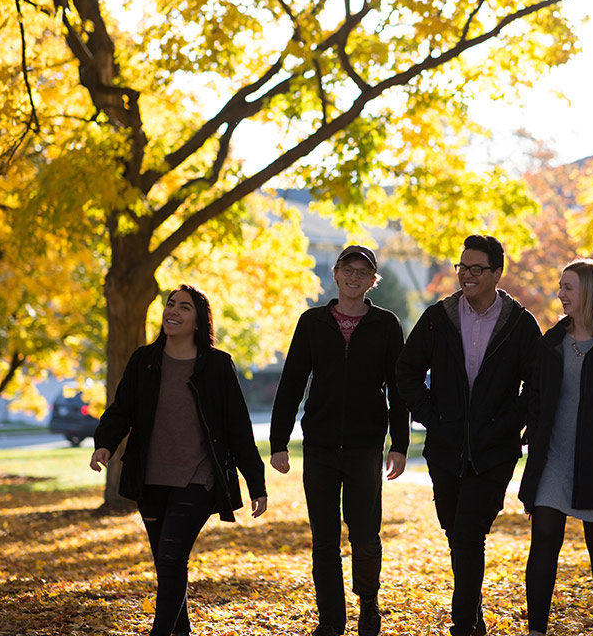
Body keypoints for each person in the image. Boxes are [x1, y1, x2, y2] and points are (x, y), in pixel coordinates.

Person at [90, 284, 268, 636]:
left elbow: (238, 429)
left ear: (199, 321)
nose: (173, 311)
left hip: (197, 478)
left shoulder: (217, 366)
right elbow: (121, 409)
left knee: (172, 559)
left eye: (184, 307)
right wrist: (104, 444)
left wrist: (256, 484)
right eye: (171, 304)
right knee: (166, 565)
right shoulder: (144, 360)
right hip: (149, 477)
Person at [396, 234, 541, 636]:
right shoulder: (438, 318)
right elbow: (406, 372)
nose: (467, 275)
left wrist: (507, 425)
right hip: (446, 448)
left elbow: (538, 386)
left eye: (477, 268)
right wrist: (432, 417)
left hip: (494, 452)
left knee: (468, 533)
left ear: (497, 272)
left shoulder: (519, 324)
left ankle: (462, 626)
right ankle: (473, 617)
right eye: (462, 267)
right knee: (455, 531)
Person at [269, 244, 409, 636]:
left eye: (362, 273)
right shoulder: (312, 322)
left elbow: (397, 390)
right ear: (335, 273)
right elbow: (293, 380)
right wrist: (278, 440)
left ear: (371, 281)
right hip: (320, 447)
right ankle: (331, 620)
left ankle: (368, 604)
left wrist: (399, 443)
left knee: (365, 535)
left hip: (366, 447)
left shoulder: (386, 324)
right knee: (324, 539)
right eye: (348, 269)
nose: (354, 277)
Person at [518, 259, 593, 636]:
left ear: (590, 291)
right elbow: (534, 395)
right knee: (544, 540)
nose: (560, 294)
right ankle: (536, 630)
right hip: (553, 457)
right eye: (560, 286)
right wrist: (530, 433)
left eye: (568, 287)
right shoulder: (550, 342)